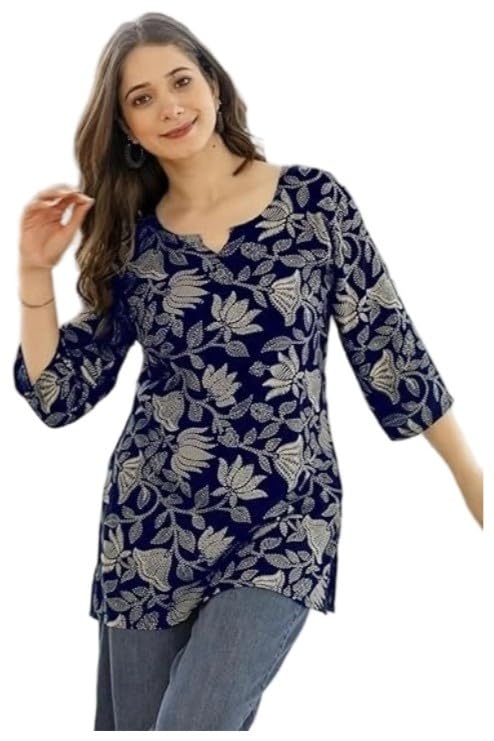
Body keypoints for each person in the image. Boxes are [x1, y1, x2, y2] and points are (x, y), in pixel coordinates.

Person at [13, 11, 482, 732]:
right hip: (150, 529)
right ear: (126, 127)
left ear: (214, 84)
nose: (170, 106)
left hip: (284, 516)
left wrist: (472, 478)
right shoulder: (132, 238)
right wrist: (33, 273)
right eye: (142, 98)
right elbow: (57, 393)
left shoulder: (314, 202)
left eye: (181, 82)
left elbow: (388, 346)